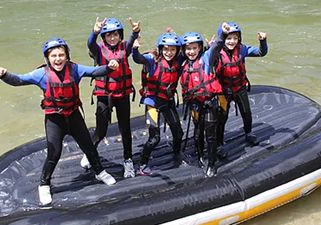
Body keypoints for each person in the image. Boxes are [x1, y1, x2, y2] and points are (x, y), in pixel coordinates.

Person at [0, 37, 116, 206]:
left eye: (61, 55)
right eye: (54, 56)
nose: (58, 59)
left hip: (73, 116)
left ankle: (99, 171)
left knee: (88, 145)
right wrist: (5, 76)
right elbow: (19, 80)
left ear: (67, 56)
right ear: (47, 58)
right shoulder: (41, 74)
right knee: (54, 153)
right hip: (55, 119)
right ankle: (44, 184)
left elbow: (95, 71)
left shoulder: (75, 69)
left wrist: (109, 68)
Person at [81, 17, 140, 179]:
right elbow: (90, 44)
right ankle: (90, 153)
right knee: (101, 130)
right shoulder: (98, 51)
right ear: (104, 37)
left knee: (125, 129)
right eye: (108, 35)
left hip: (122, 95)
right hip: (104, 96)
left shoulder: (124, 48)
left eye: (115, 34)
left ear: (120, 35)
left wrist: (135, 32)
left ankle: (128, 161)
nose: (112, 38)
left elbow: (132, 40)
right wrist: (95, 32)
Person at [180, 23, 230, 177]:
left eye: (195, 48)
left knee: (211, 135)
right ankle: (201, 156)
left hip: (210, 103)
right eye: (188, 48)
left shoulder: (207, 58)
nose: (191, 51)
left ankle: (212, 163)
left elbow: (217, 46)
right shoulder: (182, 63)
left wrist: (222, 33)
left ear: (200, 48)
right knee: (197, 134)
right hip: (195, 104)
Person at [132, 32, 184, 175]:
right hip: (152, 102)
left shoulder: (178, 61)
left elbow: (195, 51)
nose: (169, 53)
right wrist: (134, 49)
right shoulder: (152, 60)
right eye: (166, 49)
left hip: (167, 101)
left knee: (178, 133)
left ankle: (176, 153)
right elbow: (138, 59)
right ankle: (142, 164)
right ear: (161, 49)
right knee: (155, 138)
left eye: (173, 49)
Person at [214, 22, 268, 149]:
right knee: (222, 118)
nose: (232, 41)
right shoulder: (215, 52)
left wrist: (263, 41)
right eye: (228, 38)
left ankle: (248, 133)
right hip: (223, 92)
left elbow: (261, 52)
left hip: (239, 88)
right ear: (222, 38)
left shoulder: (242, 50)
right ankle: (219, 142)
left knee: (246, 113)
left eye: (235, 38)